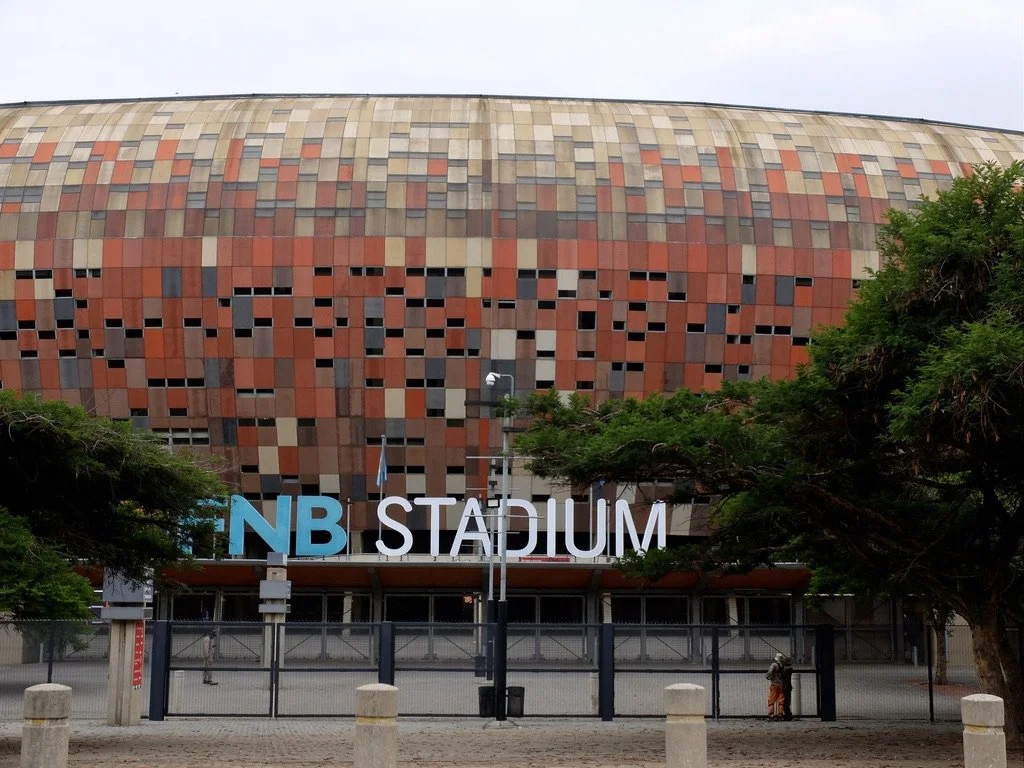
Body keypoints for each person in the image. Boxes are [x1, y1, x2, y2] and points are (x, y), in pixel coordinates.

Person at [765, 652, 785, 720]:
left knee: (771, 700)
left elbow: (770, 672)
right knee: (781, 700)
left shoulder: (774, 665)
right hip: (781, 684)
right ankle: (780, 714)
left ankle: (771, 714)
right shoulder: (783, 665)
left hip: (774, 684)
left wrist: (767, 676)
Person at [780, 654, 794, 720]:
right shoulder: (789, 668)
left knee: (786, 703)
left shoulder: (786, 669)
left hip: (786, 687)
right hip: (787, 687)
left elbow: (784, 677)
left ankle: (788, 715)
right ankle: (788, 715)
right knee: (787, 702)